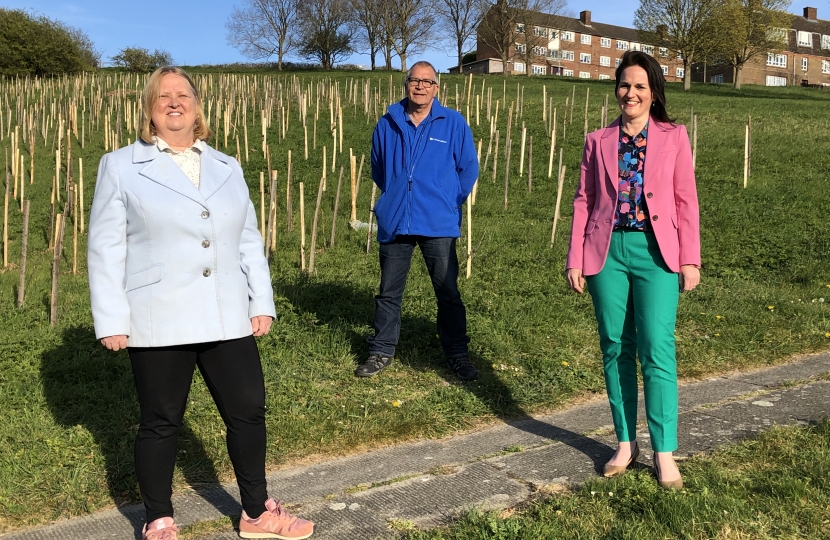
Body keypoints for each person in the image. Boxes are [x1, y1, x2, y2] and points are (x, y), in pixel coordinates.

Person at [88, 66, 314, 540]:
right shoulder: (122, 165)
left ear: (197, 104)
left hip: (226, 312)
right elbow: (106, 248)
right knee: (161, 421)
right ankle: (159, 518)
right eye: (163, 96)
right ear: (149, 109)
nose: (174, 102)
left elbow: (248, 238)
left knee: (248, 411)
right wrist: (111, 318)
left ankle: (257, 511)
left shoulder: (226, 165)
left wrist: (262, 299)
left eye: (183, 94)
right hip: (159, 315)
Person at [565, 51, 700, 489]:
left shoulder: (674, 136)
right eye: (625, 85)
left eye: (640, 86)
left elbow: (685, 199)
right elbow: (583, 200)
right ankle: (625, 442)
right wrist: (575, 258)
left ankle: (664, 451)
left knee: (657, 349)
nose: (631, 93)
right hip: (606, 254)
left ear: (654, 92)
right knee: (614, 347)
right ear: (616, 90)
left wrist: (689, 257)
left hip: (657, 253)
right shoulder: (597, 140)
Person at [355, 61, 479, 381]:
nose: (420, 86)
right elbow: (379, 168)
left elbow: (468, 169)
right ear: (406, 84)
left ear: (437, 88)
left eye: (427, 82)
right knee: (388, 292)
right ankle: (381, 350)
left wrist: (448, 201)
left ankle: (457, 354)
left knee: (447, 290)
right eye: (415, 80)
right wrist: (397, 195)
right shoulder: (388, 123)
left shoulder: (453, 123)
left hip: (437, 220)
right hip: (396, 219)